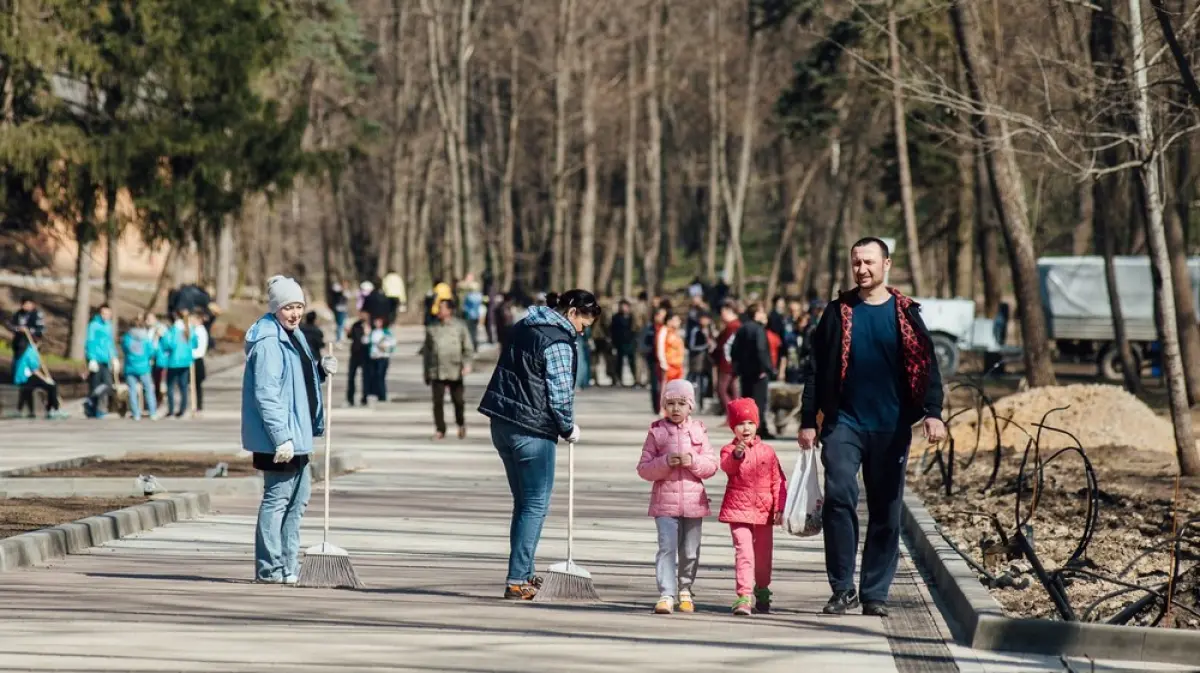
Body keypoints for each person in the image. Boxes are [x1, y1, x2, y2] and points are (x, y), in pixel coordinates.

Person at [797, 237, 946, 617]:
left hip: (891, 426)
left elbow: (927, 367)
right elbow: (814, 369)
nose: (862, 269)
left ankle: (875, 591)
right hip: (842, 422)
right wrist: (807, 420)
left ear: (886, 265)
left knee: (886, 509)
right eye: (856, 263)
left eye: (869, 262)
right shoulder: (837, 312)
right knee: (840, 494)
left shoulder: (906, 313)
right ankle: (843, 588)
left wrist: (933, 412)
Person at [477, 289, 600, 600]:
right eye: (584, 323)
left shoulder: (523, 324)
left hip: (502, 421)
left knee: (523, 503)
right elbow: (559, 394)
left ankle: (525, 571)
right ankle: (517, 579)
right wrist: (568, 427)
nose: (583, 331)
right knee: (535, 505)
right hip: (532, 429)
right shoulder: (558, 341)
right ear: (572, 313)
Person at [242, 275, 337, 584]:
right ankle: (269, 569)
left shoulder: (293, 336)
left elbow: (297, 383)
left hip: (298, 434)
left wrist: (321, 369)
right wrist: (280, 437)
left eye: (298, 306)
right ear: (275, 308)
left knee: (298, 501)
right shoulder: (269, 343)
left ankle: (288, 566)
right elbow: (266, 394)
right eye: (288, 307)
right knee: (278, 499)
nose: (295, 313)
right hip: (278, 438)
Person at [635, 380, 717, 615]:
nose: (675, 409)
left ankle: (685, 588)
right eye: (670, 404)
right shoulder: (657, 431)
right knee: (667, 547)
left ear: (690, 406)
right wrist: (663, 463)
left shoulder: (699, 430)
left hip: (694, 502)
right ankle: (666, 593)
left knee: (690, 551)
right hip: (664, 503)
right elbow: (643, 468)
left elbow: (711, 466)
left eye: (681, 403)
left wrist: (693, 461)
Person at [719, 397, 785, 616]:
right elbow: (727, 468)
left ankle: (763, 588)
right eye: (739, 423)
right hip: (738, 510)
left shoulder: (768, 451)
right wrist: (737, 454)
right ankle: (744, 595)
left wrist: (779, 506)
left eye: (749, 422)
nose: (745, 428)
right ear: (733, 427)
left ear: (757, 424)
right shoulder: (729, 450)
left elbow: (778, 480)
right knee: (744, 551)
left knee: (763, 555)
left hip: (764, 511)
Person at [422, 299, 473, 440]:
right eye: (438, 308)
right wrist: (426, 372)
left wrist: (467, 364)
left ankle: (461, 423)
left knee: (458, 401)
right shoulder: (432, 327)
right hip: (437, 370)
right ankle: (440, 429)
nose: (439, 311)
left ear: (450, 310)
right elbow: (427, 353)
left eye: (442, 308)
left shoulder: (460, 327)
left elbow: (468, 348)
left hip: (455, 369)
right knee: (437, 402)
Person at [730, 303, 774, 438]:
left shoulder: (742, 329)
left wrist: (737, 368)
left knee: (747, 401)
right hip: (758, 372)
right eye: (762, 312)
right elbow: (761, 350)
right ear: (757, 314)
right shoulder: (759, 330)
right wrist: (768, 368)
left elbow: (734, 350)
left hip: (745, 372)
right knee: (759, 402)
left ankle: (746, 427)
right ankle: (759, 429)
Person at [13, 335, 65, 419]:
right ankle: (53, 410)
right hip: (26, 378)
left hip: (22, 378)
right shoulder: (32, 352)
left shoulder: (26, 350)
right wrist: (46, 379)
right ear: (38, 343)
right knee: (52, 386)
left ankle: (28, 411)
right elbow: (35, 370)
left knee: (29, 391)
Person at [84, 305, 119, 419]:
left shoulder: (108, 326)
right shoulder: (93, 325)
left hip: (106, 360)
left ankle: (95, 404)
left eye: (108, 314)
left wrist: (114, 357)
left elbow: (110, 343)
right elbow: (90, 341)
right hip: (96, 359)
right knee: (95, 384)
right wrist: (91, 358)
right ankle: (93, 408)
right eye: (104, 313)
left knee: (107, 384)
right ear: (99, 314)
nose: (106, 316)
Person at [159, 310, 196, 418]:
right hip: (186, 361)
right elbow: (194, 344)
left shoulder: (174, 330)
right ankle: (182, 409)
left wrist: (163, 337)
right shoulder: (190, 329)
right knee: (183, 386)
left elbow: (169, 345)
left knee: (170, 386)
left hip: (174, 361)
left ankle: (171, 409)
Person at [121, 314, 158, 421]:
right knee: (148, 390)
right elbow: (151, 352)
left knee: (132, 391)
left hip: (130, 367)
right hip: (144, 367)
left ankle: (136, 413)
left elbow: (124, 350)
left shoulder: (127, 338)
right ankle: (152, 412)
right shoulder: (145, 338)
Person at [8, 296, 44, 382]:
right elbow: (11, 325)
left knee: (31, 364)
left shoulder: (37, 314)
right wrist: (18, 329)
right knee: (17, 363)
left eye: (28, 304)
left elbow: (40, 329)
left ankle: (34, 380)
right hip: (19, 343)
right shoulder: (18, 314)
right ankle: (18, 381)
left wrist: (29, 330)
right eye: (24, 304)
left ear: (32, 304)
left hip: (31, 343)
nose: (25, 306)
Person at [714, 300, 741, 416]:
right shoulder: (732, 327)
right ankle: (737, 413)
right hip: (730, 362)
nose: (721, 315)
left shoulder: (733, 327)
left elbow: (726, 346)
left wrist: (727, 360)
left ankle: (732, 414)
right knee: (732, 388)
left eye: (723, 312)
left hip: (727, 363)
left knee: (722, 389)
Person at [686, 312, 714, 411]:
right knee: (693, 382)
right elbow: (691, 346)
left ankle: (702, 403)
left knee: (705, 383)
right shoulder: (695, 330)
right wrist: (705, 346)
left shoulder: (710, 330)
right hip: (696, 360)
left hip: (707, 361)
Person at [367, 315, 396, 402]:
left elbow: (392, 343)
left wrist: (387, 349)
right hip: (374, 357)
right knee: (374, 376)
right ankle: (376, 393)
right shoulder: (373, 332)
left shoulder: (386, 332)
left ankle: (382, 395)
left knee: (381, 376)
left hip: (383, 357)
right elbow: (369, 343)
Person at [346, 309, 371, 407]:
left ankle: (365, 397)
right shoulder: (355, 325)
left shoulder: (370, 325)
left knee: (365, 377)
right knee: (351, 377)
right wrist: (348, 332)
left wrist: (367, 332)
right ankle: (350, 398)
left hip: (365, 354)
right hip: (355, 353)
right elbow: (350, 336)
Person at [610, 300, 637, 387]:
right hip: (619, 342)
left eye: (625, 306)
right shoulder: (616, 317)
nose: (624, 308)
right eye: (622, 306)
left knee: (632, 362)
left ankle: (635, 379)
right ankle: (619, 379)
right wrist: (613, 342)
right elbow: (612, 330)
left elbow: (635, 329)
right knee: (619, 362)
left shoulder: (632, 317)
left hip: (630, 342)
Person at [190, 312, 210, 416]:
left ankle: (198, 406)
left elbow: (199, 348)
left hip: (197, 359)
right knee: (195, 385)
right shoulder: (196, 330)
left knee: (196, 385)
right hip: (195, 358)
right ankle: (195, 405)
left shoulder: (199, 331)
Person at [327, 278, 349, 344]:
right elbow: (337, 293)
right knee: (340, 324)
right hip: (339, 309)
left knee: (342, 324)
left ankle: (340, 338)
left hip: (343, 309)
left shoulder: (345, 291)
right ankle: (338, 339)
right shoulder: (338, 290)